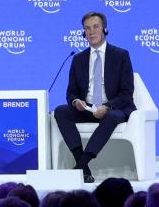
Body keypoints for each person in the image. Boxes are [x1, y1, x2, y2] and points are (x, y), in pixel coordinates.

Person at [53, 11, 135, 183]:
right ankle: (82, 165)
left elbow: (127, 93)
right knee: (60, 111)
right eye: (87, 28)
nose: (91, 32)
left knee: (112, 116)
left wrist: (108, 107)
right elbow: (71, 92)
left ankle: (81, 165)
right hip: (88, 108)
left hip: (113, 108)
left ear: (105, 29)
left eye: (95, 27)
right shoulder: (78, 59)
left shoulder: (121, 55)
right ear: (84, 33)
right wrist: (76, 102)